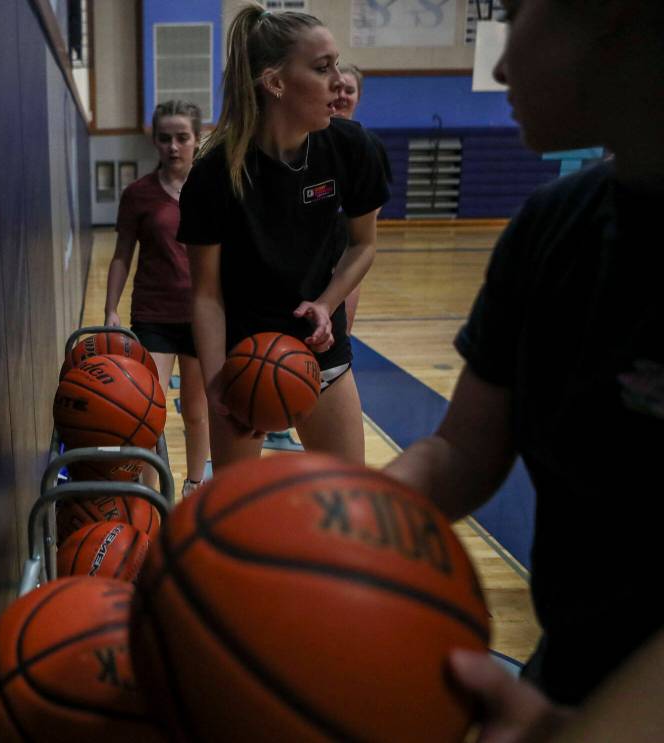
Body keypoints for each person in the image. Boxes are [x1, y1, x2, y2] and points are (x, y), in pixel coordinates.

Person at [383, 0, 664, 736]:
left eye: (512, 14)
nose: (500, 62)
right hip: (565, 673)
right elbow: (463, 451)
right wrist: (347, 515)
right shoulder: (552, 226)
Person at [178, 5, 389, 470]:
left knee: (346, 499)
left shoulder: (352, 148)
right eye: (321, 68)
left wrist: (326, 302)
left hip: (320, 352)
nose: (339, 79)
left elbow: (363, 245)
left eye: (337, 63)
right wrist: (217, 383)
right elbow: (207, 296)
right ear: (274, 83)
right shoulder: (214, 176)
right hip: (245, 359)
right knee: (240, 519)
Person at [104, 100, 210, 498]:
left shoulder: (212, 188)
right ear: (155, 141)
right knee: (148, 412)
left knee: (198, 413)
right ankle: (150, 494)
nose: (173, 146)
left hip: (203, 316)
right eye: (165, 138)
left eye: (182, 137)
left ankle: (195, 485)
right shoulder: (138, 195)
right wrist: (110, 308)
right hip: (154, 316)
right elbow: (121, 254)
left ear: (197, 139)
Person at [331, 62, 393, 333]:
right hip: (310, 254)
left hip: (347, 252)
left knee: (341, 335)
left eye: (349, 89)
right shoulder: (307, 140)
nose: (342, 95)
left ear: (359, 96)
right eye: (337, 88)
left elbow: (374, 205)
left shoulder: (369, 145)